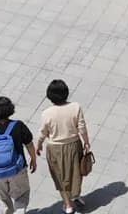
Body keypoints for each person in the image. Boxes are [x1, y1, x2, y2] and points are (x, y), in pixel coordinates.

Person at [37, 79, 92, 214]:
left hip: (55, 148)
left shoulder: (46, 113)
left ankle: (68, 205)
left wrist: (38, 145)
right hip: (74, 145)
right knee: (77, 172)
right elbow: (82, 128)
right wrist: (86, 142)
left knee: (60, 176)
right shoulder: (75, 107)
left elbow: (43, 133)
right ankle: (76, 194)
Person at [0, 97, 36, 214]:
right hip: (17, 169)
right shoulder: (18, 125)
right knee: (21, 196)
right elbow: (29, 144)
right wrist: (33, 159)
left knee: (2, 199)